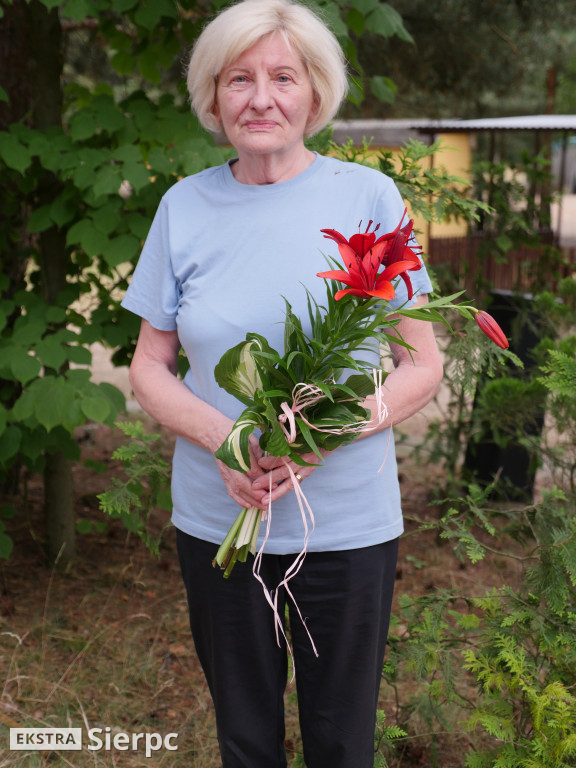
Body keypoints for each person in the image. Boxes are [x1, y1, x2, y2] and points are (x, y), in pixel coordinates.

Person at [121, 1, 443, 765]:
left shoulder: (367, 199)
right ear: (213, 97)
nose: (260, 97)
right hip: (216, 527)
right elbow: (146, 365)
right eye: (239, 78)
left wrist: (326, 432)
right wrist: (226, 439)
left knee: (340, 743)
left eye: (281, 77)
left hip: (345, 528)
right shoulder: (182, 207)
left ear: (314, 95)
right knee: (245, 741)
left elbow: (422, 366)